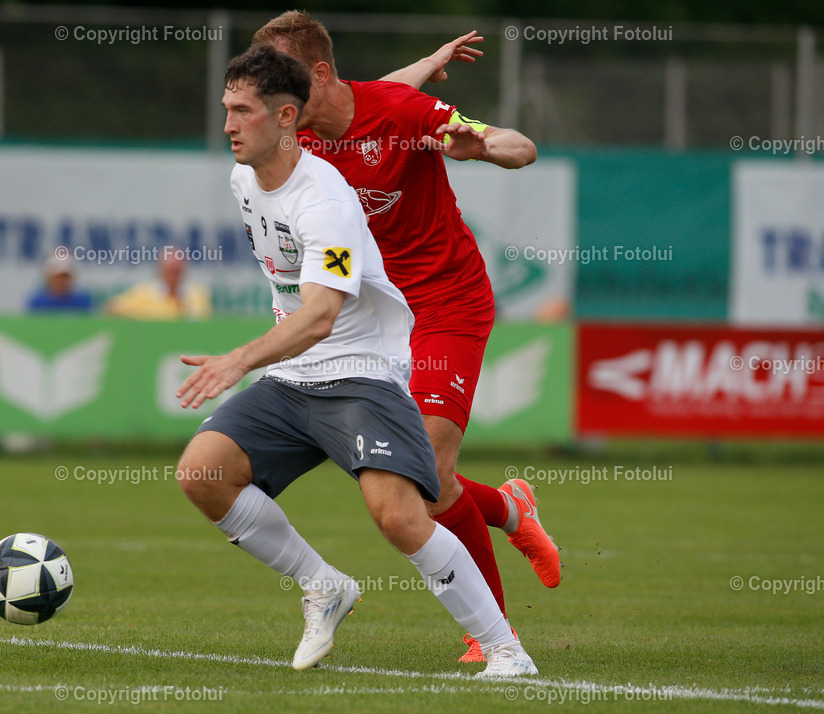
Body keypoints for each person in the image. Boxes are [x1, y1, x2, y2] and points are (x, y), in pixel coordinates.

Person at [175, 43, 537, 677]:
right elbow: (369, 96)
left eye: (241, 110)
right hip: (295, 374)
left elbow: (319, 317)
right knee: (202, 473)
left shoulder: (326, 198)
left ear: (287, 113)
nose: (228, 124)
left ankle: (504, 648)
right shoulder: (251, 171)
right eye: (226, 108)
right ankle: (325, 585)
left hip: (365, 367)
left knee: (403, 512)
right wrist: (423, 63)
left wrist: (237, 362)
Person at [252, 11, 561, 663]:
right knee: (405, 477)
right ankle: (508, 508)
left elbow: (515, 144)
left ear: (318, 75)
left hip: (448, 303)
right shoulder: (300, 130)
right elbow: (371, 97)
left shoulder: (402, 113)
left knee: (425, 475)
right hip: (375, 319)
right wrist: (421, 64)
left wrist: (485, 147)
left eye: (280, 82)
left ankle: (492, 632)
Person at [104, 252, 212, 320]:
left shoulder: (197, 295)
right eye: (170, 271)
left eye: (177, 271)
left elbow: (202, 320)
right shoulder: (143, 294)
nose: (173, 276)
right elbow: (112, 309)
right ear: (160, 271)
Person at [26, 256, 92, 313]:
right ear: (48, 277)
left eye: (65, 276)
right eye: (57, 277)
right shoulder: (38, 302)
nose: (61, 280)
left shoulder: (83, 301)